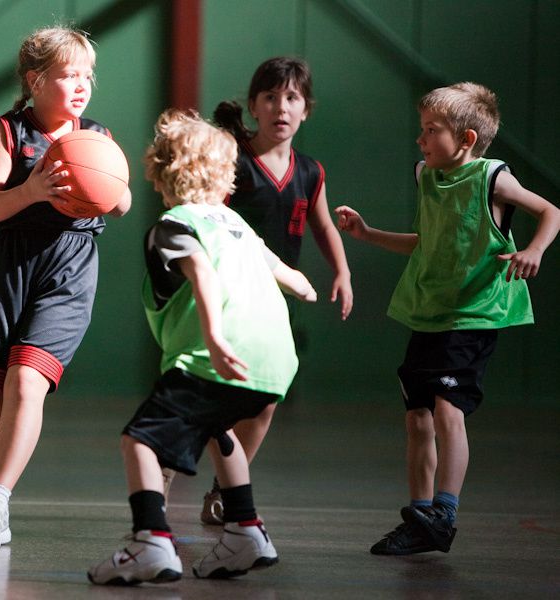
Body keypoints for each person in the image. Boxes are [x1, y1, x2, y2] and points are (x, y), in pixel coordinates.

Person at [88, 109, 317, 585]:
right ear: (226, 177)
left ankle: (150, 539)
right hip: (274, 363)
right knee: (221, 430)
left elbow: (202, 275)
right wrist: (307, 288)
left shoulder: (173, 226)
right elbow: (294, 280)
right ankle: (245, 530)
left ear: (159, 172)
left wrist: (213, 337)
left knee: (140, 440)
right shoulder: (237, 226)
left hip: (213, 355)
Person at [335, 82, 560, 555]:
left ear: (467, 139)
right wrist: (368, 233)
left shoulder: (492, 178)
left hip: (474, 314)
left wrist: (534, 249)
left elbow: (551, 211)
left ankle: (444, 510)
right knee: (417, 417)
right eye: (421, 129)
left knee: (447, 409)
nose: (420, 139)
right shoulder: (426, 176)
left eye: (431, 130)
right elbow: (427, 241)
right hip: (429, 311)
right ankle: (421, 518)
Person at [0, 25, 131, 553]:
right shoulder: (8, 132)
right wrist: (31, 190)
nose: (81, 85)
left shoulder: (95, 137)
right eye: (68, 75)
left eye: (87, 76)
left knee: (26, 382)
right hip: (14, 263)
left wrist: (106, 184)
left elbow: (121, 204)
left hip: (70, 266)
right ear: (34, 80)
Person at [173, 56, 352, 526]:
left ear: (306, 109)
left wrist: (342, 271)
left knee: (266, 398)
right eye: (270, 96)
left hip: (273, 300)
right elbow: (203, 216)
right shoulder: (233, 162)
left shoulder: (310, 172)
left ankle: (221, 488)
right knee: (213, 392)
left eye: (291, 97)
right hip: (229, 294)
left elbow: (323, 225)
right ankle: (163, 482)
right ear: (254, 105)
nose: (281, 106)